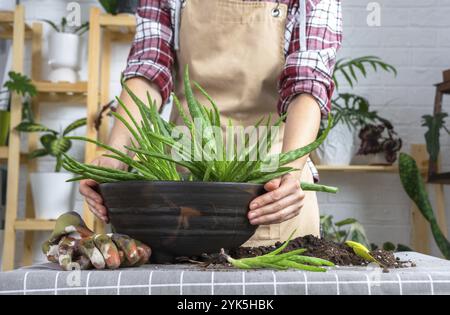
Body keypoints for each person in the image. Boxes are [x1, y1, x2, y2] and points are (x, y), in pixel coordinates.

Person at [80, 0, 342, 247]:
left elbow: (307, 84)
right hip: (185, 185)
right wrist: (114, 157)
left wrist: (290, 172)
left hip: (273, 181)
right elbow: (149, 69)